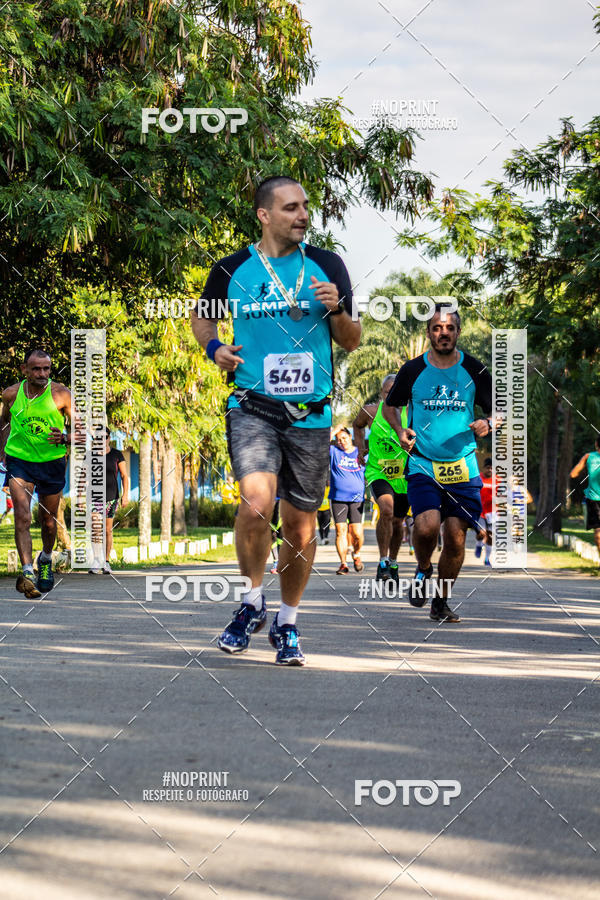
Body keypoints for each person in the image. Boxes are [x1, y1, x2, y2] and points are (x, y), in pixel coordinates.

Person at [191, 175, 360, 664]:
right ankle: (250, 601)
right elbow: (202, 317)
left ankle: (287, 621)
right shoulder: (231, 268)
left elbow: (351, 340)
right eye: (290, 208)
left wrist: (337, 310)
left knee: (301, 525)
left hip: (311, 413)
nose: (303, 215)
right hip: (252, 406)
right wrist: (214, 347)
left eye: (305, 207)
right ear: (264, 215)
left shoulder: (327, 266)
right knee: (255, 504)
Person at [383, 305, 492, 622]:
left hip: (463, 467)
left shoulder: (473, 369)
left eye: (449, 328)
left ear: (458, 332)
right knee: (427, 528)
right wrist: (400, 429)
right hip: (423, 464)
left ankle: (440, 602)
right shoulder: (413, 369)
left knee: (456, 539)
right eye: (436, 328)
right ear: (429, 332)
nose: (443, 333)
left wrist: (490, 422)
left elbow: (501, 407)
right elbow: (392, 406)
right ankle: (424, 568)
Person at [0, 349, 73, 597]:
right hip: (19, 461)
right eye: (36, 369)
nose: (42, 374)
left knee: (49, 522)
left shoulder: (62, 394)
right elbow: (4, 422)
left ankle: (45, 559)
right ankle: (27, 570)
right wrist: (2, 451)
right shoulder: (11, 394)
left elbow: (87, 432)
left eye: (46, 369)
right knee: (22, 515)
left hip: (51, 462)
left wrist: (65, 437)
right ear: (24, 370)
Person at [354, 374, 409, 582]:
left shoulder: (410, 413)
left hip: (404, 474)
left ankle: (393, 562)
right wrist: (360, 447)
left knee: (398, 521)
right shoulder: (371, 412)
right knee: (386, 510)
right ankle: (383, 560)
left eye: (396, 392)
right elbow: (357, 425)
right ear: (381, 393)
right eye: (388, 392)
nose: (392, 396)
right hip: (379, 471)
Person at [89, 427, 129, 574]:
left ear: (109, 438)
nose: (101, 440)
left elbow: (124, 476)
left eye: (104, 437)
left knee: (107, 530)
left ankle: (106, 562)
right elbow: (83, 477)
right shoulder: (90, 455)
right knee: (95, 529)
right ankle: (96, 560)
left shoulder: (116, 455)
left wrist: (125, 495)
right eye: (98, 437)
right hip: (94, 497)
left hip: (111, 497)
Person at [329, 426, 366, 574]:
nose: (341, 442)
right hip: (338, 498)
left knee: (356, 532)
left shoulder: (361, 453)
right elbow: (322, 442)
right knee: (340, 531)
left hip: (357, 498)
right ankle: (343, 563)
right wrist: (334, 430)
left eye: (344, 438)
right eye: (338, 440)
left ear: (350, 437)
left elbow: (370, 472)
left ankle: (356, 554)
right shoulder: (334, 452)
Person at [570, 435, 600, 558]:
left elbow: (573, 474)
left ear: (596, 444)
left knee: (598, 532)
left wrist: (587, 471)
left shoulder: (588, 457)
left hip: (594, 499)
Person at [474, 457, 494, 566]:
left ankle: (487, 559)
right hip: (480, 511)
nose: (490, 470)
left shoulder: (498, 480)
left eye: (492, 468)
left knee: (490, 536)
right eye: (488, 468)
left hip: (493, 513)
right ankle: (478, 544)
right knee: (481, 533)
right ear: (484, 468)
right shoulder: (478, 478)